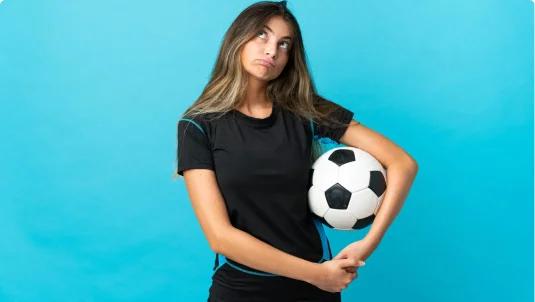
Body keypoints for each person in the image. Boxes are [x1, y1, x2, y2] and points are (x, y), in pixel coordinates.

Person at [175, 1, 418, 301]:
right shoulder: (198, 126)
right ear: (237, 39)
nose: (271, 51)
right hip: (243, 290)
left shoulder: (306, 110)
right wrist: (318, 275)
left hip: (314, 293)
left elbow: (402, 163)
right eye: (261, 35)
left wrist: (367, 244)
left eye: (284, 44)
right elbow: (220, 236)